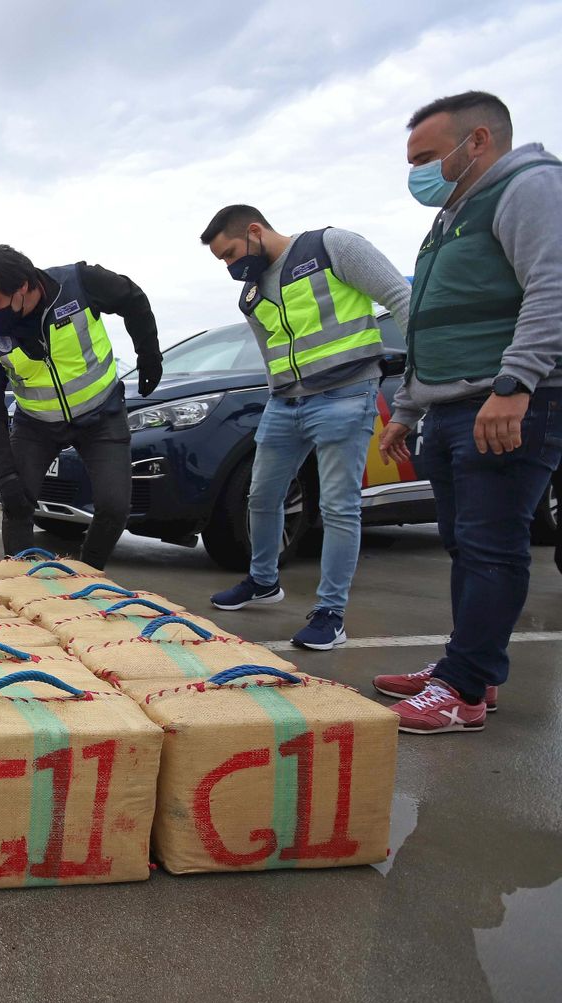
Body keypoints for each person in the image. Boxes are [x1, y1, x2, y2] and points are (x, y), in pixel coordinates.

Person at [372, 91, 562, 734]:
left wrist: (515, 384)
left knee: (490, 547)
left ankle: (463, 689)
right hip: (451, 405)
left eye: (427, 156)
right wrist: (405, 408)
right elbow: (429, 326)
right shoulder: (453, 216)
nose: (418, 173)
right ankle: (469, 668)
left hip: (502, 402)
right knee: (465, 544)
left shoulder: (531, 188)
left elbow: (553, 286)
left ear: (476, 140)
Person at [200, 206, 413, 650]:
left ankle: (330, 614)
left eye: (231, 254)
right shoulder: (252, 295)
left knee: (339, 508)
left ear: (255, 231)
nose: (230, 267)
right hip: (285, 403)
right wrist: (279, 396)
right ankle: (262, 581)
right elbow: (269, 355)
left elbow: (401, 298)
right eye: (222, 261)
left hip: (346, 395)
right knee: (261, 496)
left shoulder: (332, 247)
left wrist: (420, 380)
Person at [0, 244, 162, 566]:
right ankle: (17, 584)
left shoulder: (80, 284)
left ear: (23, 286)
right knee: (16, 503)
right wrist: (6, 473)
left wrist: (149, 355)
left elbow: (132, 299)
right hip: (36, 426)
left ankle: (86, 577)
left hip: (101, 415)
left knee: (113, 507)